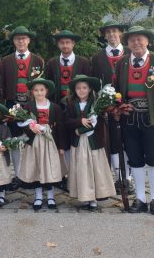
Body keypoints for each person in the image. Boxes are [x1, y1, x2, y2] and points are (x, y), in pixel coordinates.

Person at [114, 26, 154, 215]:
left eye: (140, 39)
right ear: (127, 44)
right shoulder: (122, 63)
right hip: (130, 120)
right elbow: (116, 92)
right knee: (134, 159)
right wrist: (117, 108)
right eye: (132, 40)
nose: (136, 43)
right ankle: (140, 198)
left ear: (147, 41)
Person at [44, 29, 92, 190]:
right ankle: (62, 175)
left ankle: (74, 175)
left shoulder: (84, 62)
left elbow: (88, 86)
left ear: (73, 44)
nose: (65, 45)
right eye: (62, 43)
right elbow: (48, 87)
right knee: (60, 140)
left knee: (75, 140)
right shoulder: (51, 63)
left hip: (77, 109)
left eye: (68, 42)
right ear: (58, 44)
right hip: (58, 108)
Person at [91, 20, 134, 195]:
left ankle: (129, 178)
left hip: (130, 107)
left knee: (129, 143)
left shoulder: (131, 53)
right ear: (104, 36)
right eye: (108, 32)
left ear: (120, 34)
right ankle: (117, 178)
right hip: (108, 109)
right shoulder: (97, 58)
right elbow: (94, 85)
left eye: (115, 31)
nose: (111, 35)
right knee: (113, 143)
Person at [1, 26, 44, 188]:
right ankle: (18, 174)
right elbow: (2, 84)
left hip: (31, 105)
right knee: (14, 139)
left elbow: (41, 85)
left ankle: (34, 173)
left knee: (32, 139)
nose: (21, 41)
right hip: (12, 104)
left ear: (29, 40)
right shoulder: (5, 61)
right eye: (17, 38)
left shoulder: (38, 60)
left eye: (24, 38)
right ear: (13, 41)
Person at [66, 75, 116, 211]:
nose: (81, 90)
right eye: (78, 88)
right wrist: (79, 122)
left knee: (94, 168)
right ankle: (84, 196)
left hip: (93, 142)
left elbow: (99, 122)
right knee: (81, 168)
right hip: (79, 144)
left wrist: (82, 129)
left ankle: (94, 198)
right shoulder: (71, 104)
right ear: (74, 90)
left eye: (84, 88)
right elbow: (67, 121)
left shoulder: (96, 104)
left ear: (89, 89)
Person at [18, 78, 65, 211]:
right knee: (37, 168)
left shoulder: (55, 107)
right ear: (32, 92)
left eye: (42, 90)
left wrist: (61, 146)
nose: (39, 93)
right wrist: (30, 128)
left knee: (49, 169)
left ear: (47, 91)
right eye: (36, 90)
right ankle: (38, 196)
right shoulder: (29, 106)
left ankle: (51, 196)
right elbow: (23, 123)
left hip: (50, 143)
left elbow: (60, 128)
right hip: (34, 144)